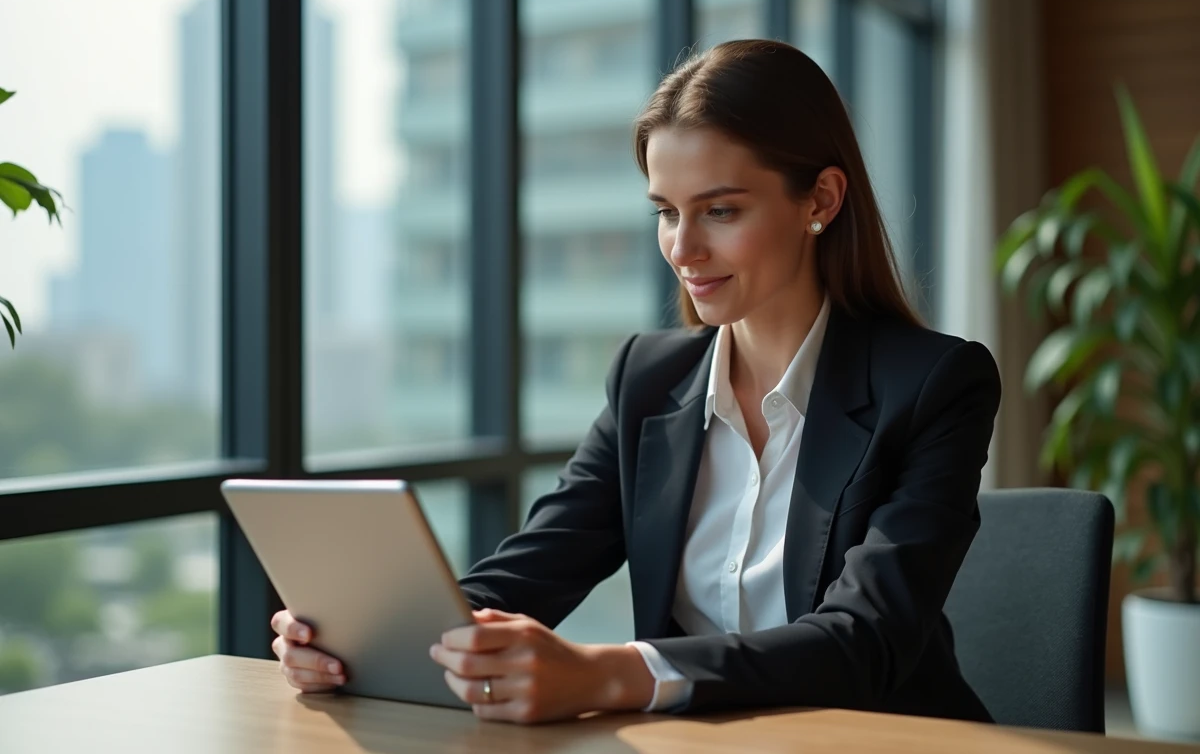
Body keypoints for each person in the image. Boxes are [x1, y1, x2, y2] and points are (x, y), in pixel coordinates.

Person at [270, 39, 1001, 726]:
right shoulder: (650, 381)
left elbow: (863, 641)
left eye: (720, 210)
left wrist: (611, 674)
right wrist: (365, 640)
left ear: (820, 200)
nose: (683, 248)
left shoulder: (935, 384)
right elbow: (535, 568)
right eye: (665, 212)